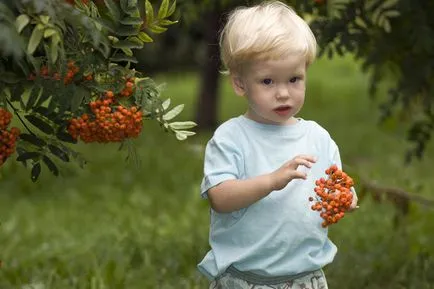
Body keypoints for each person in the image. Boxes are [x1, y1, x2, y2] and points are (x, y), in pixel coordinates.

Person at [197, 1, 358, 288]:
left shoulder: (317, 138)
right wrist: (271, 181)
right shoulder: (231, 137)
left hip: (305, 278)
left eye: (294, 79)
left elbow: (335, 185)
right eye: (268, 81)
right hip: (245, 278)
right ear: (240, 84)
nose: (283, 93)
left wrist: (345, 198)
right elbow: (219, 198)